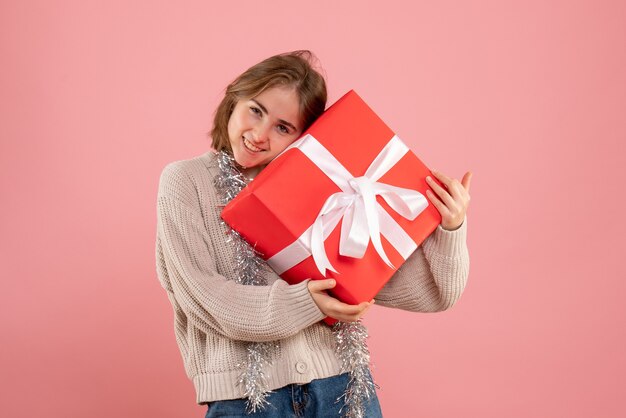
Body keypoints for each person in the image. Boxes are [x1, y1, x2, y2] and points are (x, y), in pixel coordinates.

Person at [155, 50, 472, 418]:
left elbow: (432, 294)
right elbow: (206, 299)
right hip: (247, 401)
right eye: (255, 110)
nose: (259, 135)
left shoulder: (329, 189)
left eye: (283, 127)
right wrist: (308, 302)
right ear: (233, 98)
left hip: (343, 389)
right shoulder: (184, 181)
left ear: (305, 137)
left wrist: (451, 228)